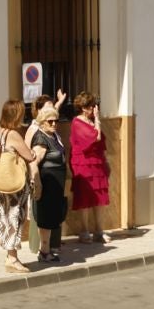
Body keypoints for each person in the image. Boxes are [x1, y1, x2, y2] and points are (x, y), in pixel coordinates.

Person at [0, 99, 44, 274]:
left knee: (5, 218)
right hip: (15, 186)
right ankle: (12, 259)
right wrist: (35, 152)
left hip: (4, 184)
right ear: (16, 115)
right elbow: (29, 156)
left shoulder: (0, 132)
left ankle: (10, 256)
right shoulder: (13, 135)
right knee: (15, 218)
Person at [66, 92, 112, 244]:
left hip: (97, 163)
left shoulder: (92, 121)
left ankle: (99, 231)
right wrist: (98, 119)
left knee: (99, 196)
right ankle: (84, 231)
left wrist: (105, 160)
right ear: (83, 108)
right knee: (84, 197)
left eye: (93, 105)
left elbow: (102, 142)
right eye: (90, 106)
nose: (93, 109)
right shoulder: (77, 123)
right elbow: (95, 137)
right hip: (83, 163)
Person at [29, 102, 69, 264]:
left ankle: (47, 250)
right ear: (42, 122)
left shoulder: (53, 136)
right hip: (47, 185)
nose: (54, 124)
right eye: (49, 121)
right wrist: (37, 183)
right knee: (45, 219)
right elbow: (34, 162)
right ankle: (44, 252)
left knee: (52, 217)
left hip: (56, 184)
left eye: (55, 121)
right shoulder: (41, 138)